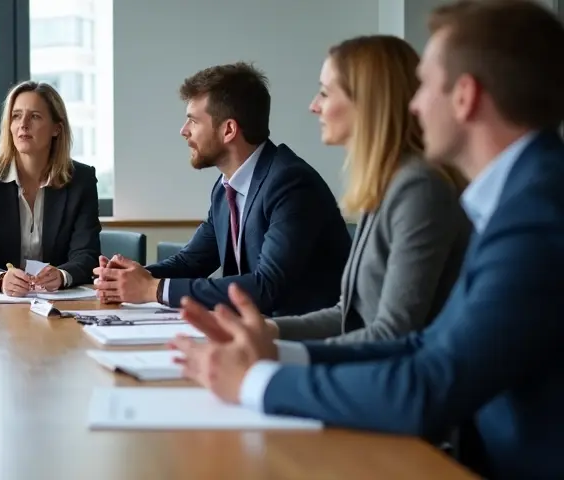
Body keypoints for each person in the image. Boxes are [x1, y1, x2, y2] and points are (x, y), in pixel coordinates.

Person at [169, 1, 564, 478]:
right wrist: (274, 349)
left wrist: (260, 382)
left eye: (426, 88)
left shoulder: (535, 211)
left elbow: (427, 379)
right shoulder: (514, 196)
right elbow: (428, 345)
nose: (414, 105)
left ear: (464, 97)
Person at [94, 63, 350, 315]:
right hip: (255, 334)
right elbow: (191, 262)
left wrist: (154, 289)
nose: (183, 131)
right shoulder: (226, 187)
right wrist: (129, 278)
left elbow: (267, 286)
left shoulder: (290, 183)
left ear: (228, 129)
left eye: (193, 121)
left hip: (305, 341)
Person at [269, 35, 472, 343]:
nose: (314, 106)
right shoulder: (386, 183)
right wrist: (266, 331)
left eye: (324, 93)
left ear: (368, 102)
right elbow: (348, 316)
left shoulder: (419, 187)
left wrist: (279, 352)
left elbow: (392, 333)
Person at [0, 81, 102, 295]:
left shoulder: (81, 180)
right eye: (16, 116)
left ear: (57, 128)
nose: (23, 124)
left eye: (34, 116)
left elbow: (87, 254)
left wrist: (62, 275)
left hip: (59, 305)